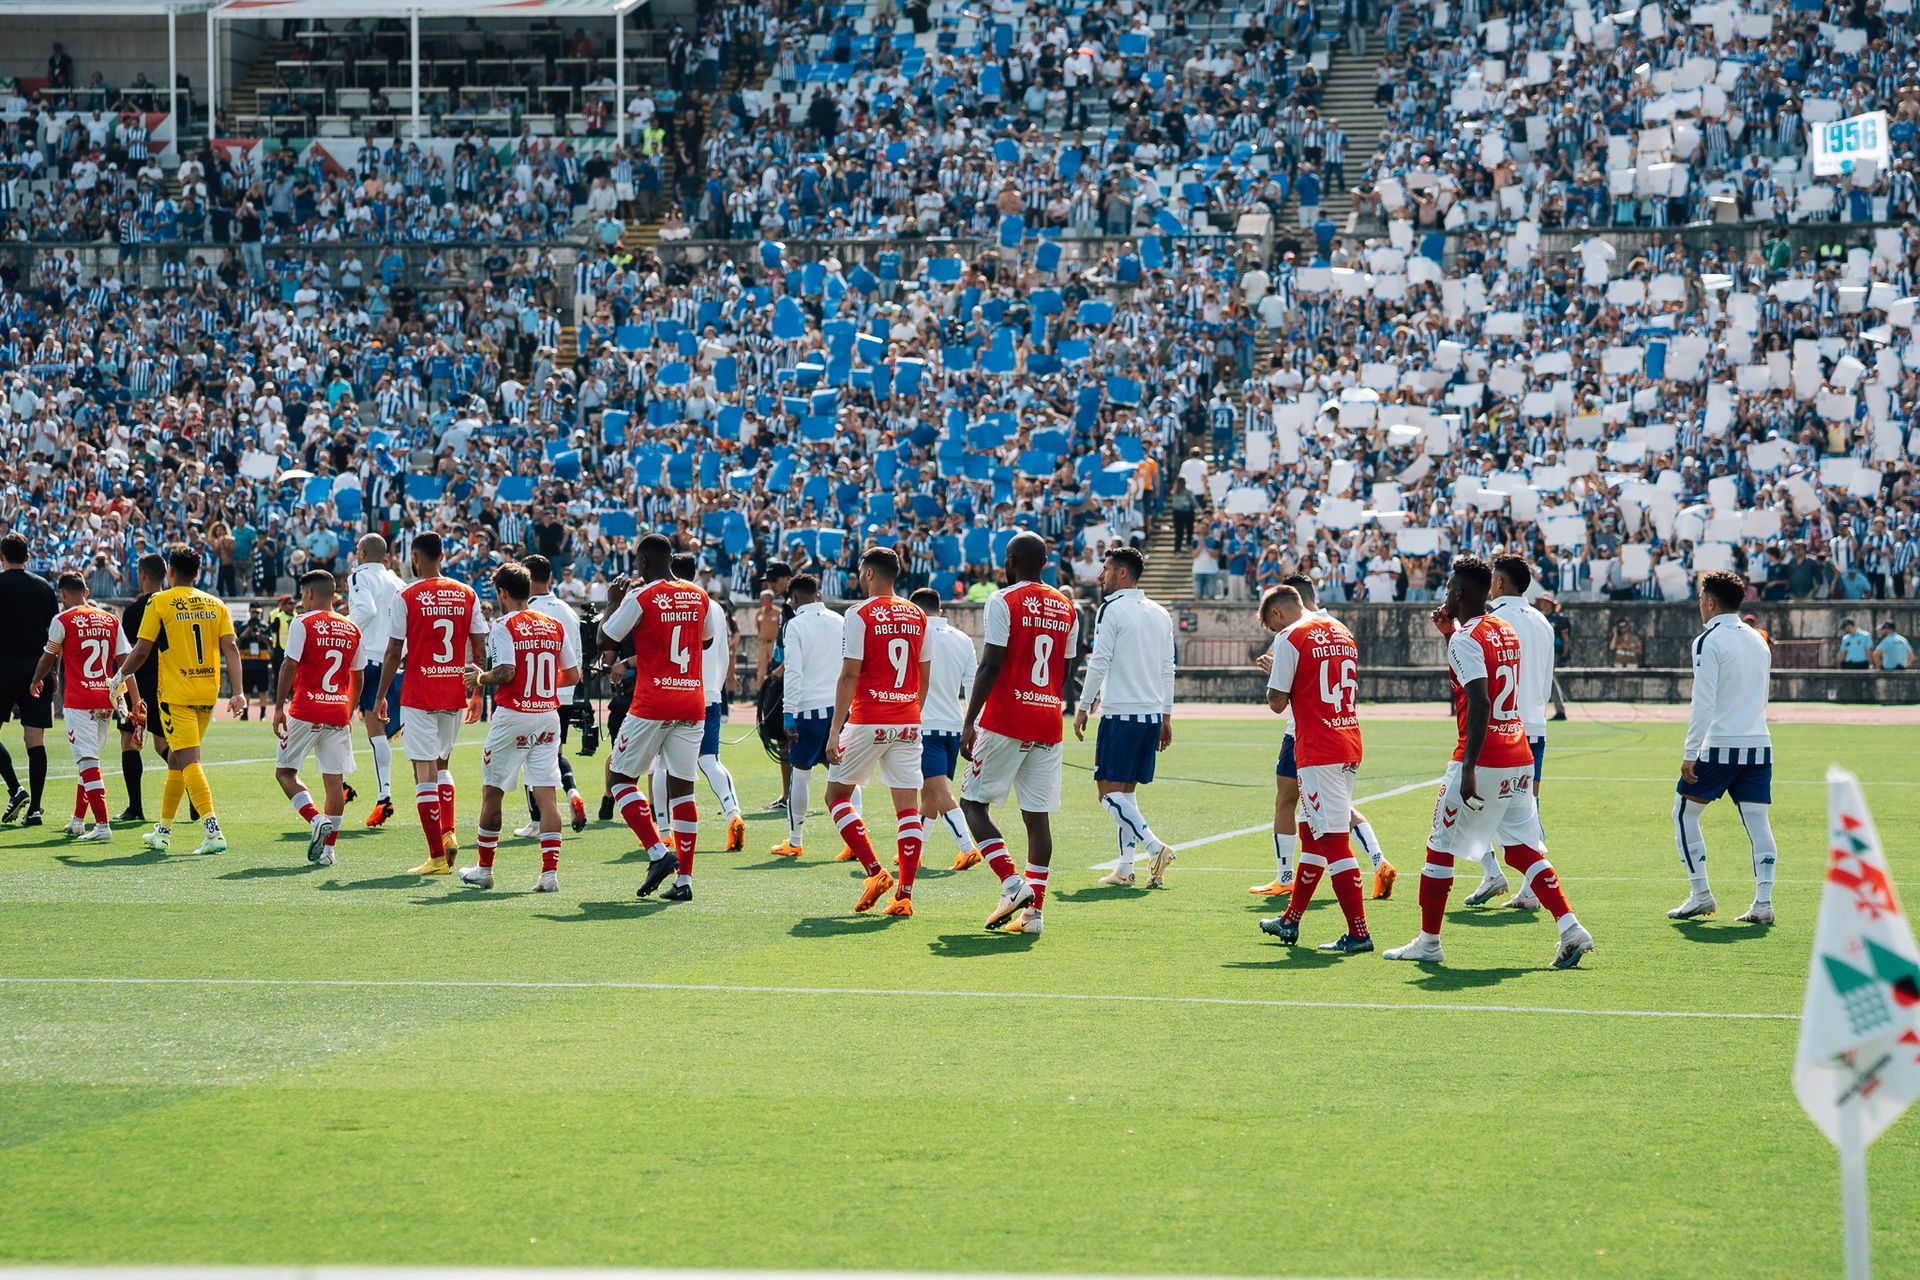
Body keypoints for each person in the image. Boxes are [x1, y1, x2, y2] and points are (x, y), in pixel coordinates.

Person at [1383, 554, 1593, 968]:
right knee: (1520, 850)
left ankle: (1428, 941)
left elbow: (1478, 701)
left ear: (1459, 593)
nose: (1445, 594)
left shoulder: (1467, 638)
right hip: (1519, 753)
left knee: (1438, 848)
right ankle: (1570, 927)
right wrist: (1450, 633)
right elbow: (1479, 680)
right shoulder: (1502, 630)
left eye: (1448, 589)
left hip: (1484, 757)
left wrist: (1469, 768)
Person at [960, 531, 1078, 937]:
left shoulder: (1003, 599)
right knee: (1036, 815)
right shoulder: (1068, 607)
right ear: (1044, 562)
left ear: (1010, 561)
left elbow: (991, 663)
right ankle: (1034, 916)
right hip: (1048, 720)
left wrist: (969, 719)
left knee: (972, 803)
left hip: (1007, 717)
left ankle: (1012, 884)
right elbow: (1068, 666)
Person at [1250, 576, 1395, 900]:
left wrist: (1275, 673)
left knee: (1293, 807)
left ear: (1281, 611)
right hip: (1346, 731)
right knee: (1336, 809)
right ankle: (1377, 859)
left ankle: (1286, 878)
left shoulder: (1294, 634)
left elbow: (1279, 700)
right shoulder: (1341, 629)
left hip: (1308, 734)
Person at [598, 533, 717, 902]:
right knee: (683, 788)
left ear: (645, 563)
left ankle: (656, 852)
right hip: (691, 702)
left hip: (652, 702)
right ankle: (685, 881)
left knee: (619, 778)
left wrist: (612, 602)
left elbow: (605, 640)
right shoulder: (699, 595)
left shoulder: (641, 596)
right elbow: (707, 642)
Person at [112, 544, 246, 856]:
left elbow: (143, 649)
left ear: (170, 572)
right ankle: (163, 831)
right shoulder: (216, 604)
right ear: (198, 573)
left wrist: (119, 677)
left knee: (189, 761)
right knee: (175, 761)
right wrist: (238, 691)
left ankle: (213, 831)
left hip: (176, 695)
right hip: (207, 693)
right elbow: (231, 648)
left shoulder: (160, 601)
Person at [460, 562, 581, 894]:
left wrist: (480, 677)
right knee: (547, 796)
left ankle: (485, 870)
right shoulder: (554, 625)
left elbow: (508, 671)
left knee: (493, 792)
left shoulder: (503, 625)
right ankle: (549, 875)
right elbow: (572, 676)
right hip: (547, 714)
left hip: (513, 715)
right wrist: (540, 684)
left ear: (501, 593)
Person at [822, 546, 930, 916]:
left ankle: (874, 872)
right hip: (907, 718)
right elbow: (923, 675)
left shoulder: (859, 613)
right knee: (907, 810)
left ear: (869, 573)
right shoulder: (918, 614)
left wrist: (836, 729)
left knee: (836, 795)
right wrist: (911, 712)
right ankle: (905, 895)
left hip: (869, 717)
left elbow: (850, 673)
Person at [375, 531, 488, 876]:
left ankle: (437, 856)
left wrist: (380, 697)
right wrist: (478, 693)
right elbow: (479, 647)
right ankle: (449, 830)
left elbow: (394, 650)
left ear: (414, 556)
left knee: (424, 772)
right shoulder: (467, 593)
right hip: (453, 690)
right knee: (442, 765)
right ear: (442, 555)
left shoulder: (406, 594)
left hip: (420, 692)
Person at [1669, 570, 1776, 925]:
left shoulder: (1708, 640)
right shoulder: (1758, 639)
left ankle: (1700, 893)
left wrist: (1690, 751)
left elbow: (1704, 702)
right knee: (1758, 823)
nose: (1700, 605)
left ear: (1711, 602)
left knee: (1684, 814)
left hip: (1719, 747)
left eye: (1701, 599)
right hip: (1758, 744)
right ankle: (1763, 902)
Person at [1074, 547, 1178, 889]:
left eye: (1105, 569)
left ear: (1121, 574)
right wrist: (1166, 715)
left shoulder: (1111, 609)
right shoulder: (1161, 613)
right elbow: (1168, 668)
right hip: (1149, 716)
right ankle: (1124, 867)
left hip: (1121, 714)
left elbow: (1099, 659)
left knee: (1106, 794)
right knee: (1126, 793)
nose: (1100, 575)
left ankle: (1154, 846)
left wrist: (1083, 705)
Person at [1462, 555, 1557, 910]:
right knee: (1527, 808)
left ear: (1498, 584)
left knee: (1471, 801)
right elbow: (1547, 678)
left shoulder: (1491, 621)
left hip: (1501, 726)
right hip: (1535, 726)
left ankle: (1494, 873)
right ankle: (1527, 883)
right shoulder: (1543, 621)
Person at [648, 553, 744, 852]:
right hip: (710, 695)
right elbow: (724, 651)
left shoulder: (672, 602)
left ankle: (664, 830)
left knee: (662, 765)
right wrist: (717, 687)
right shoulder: (712, 605)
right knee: (709, 761)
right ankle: (733, 813)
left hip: (678, 692)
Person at [31, 571, 129, 842]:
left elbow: (48, 656)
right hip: (104, 699)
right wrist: (134, 697)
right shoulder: (111, 619)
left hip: (79, 699)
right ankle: (77, 820)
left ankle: (102, 825)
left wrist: (36, 681)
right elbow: (126, 662)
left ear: (62, 594)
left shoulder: (62, 619)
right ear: (86, 591)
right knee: (89, 760)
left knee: (87, 760)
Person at [272, 570, 361, 866]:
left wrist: (278, 707)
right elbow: (357, 676)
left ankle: (313, 820)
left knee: (285, 772)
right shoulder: (352, 628)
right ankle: (329, 852)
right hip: (337, 711)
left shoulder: (303, 622)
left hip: (305, 710)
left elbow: (289, 663)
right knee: (334, 784)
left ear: (309, 594)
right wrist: (347, 710)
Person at [767, 574, 843, 859]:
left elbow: (794, 672)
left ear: (794, 598)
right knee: (842, 775)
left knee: (801, 774)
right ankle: (852, 838)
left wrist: (788, 713)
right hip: (838, 709)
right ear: (818, 594)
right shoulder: (839, 620)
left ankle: (795, 839)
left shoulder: (795, 624)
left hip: (809, 709)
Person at [518, 554, 589, 836]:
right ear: (550, 577)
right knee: (554, 752)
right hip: (566, 692)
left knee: (530, 756)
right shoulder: (567, 610)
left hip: (537, 692)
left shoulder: (528, 610)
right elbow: (578, 656)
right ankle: (572, 790)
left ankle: (537, 820)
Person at [910, 585, 979, 870]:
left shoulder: (914, 637)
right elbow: (973, 685)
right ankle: (914, 853)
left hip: (926, 726)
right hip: (953, 724)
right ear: (940, 609)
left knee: (939, 792)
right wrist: (972, 724)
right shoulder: (963, 639)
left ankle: (967, 847)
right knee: (928, 795)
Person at [0, 532, 61, 823]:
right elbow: (56, 636)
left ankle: (15, 789)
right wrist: (55, 671)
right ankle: (35, 807)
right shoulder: (44, 588)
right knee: (35, 739)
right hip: (38, 668)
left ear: (2, 557)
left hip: (3, 668)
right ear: (28, 557)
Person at [347, 534, 405, 828]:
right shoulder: (398, 582)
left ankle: (342, 784)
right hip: (388, 660)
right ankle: (384, 795)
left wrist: (344, 629)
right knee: (377, 731)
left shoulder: (359, 575)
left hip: (362, 657)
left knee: (337, 720)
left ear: (361, 553)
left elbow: (366, 611)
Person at [113, 553, 170, 822]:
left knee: (129, 743)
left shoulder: (136, 610)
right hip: (169, 683)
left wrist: (127, 688)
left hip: (139, 682)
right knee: (163, 745)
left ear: (143, 575)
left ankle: (135, 807)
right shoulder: (172, 606)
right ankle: (194, 795)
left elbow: (128, 654)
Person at [1537, 595, 1569, 720]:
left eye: (1547, 603)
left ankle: (1559, 710)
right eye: (1543, 603)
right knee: (1547, 679)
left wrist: (1565, 653)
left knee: (1548, 679)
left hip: (1554, 652)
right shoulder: (1539, 617)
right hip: (1540, 652)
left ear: (1551, 604)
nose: (1544, 605)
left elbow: (1565, 637)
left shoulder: (1558, 619)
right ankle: (1557, 710)